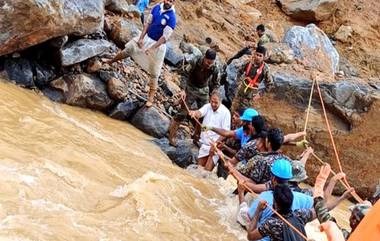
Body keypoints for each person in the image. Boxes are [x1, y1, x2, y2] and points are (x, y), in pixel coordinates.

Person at [107, 0, 176, 107]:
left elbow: (164, 38)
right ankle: (110, 61)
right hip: (147, 37)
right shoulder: (157, 7)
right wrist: (141, 38)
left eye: (171, 1)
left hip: (158, 45)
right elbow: (147, 23)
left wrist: (152, 48)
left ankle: (151, 98)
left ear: (173, 2)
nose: (168, 2)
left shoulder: (172, 18)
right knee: (129, 49)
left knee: (154, 73)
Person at [168, 49, 221, 146]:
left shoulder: (215, 68)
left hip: (204, 90)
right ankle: (171, 136)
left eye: (211, 63)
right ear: (204, 58)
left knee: (204, 115)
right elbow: (184, 74)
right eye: (208, 62)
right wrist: (183, 89)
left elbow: (216, 84)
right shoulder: (195, 61)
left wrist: (213, 95)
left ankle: (196, 137)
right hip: (190, 87)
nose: (209, 65)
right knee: (182, 113)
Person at [247, 184, 315, 241]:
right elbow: (317, 210)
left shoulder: (272, 223)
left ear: (275, 204)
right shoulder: (301, 214)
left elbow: (250, 237)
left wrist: (258, 211)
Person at [187, 92, 231, 171]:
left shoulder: (226, 113)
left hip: (215, 146)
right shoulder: (207, 106)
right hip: (205, 144)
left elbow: (225, 133)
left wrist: (215, 145)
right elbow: (199, 113)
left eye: (216, 103)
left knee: (206, 172)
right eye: (212, 102)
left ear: (220, 102)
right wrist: (194, 113)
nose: (213, 104)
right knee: (199, 170)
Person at [230, 46, 273, 113]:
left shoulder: (265, 69)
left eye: (260, 56)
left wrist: (260, 94)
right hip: (241, 90)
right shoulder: (248, 63)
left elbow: (270, 84)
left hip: (251, 95)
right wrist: (238, 82)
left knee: (245, 113)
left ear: (263, 57)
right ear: (254, 54)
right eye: (257, 54)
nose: (258, 57)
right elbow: (239, 71)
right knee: (233, 108)